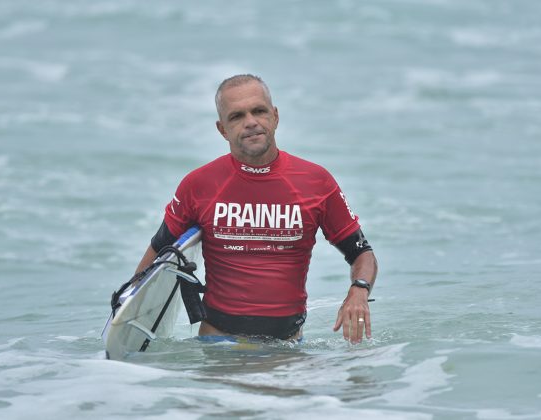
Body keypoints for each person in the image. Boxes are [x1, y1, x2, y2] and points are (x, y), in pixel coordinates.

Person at [135, 74, 378, 343]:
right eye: (237, 116)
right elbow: (160, 249)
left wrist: (359, 290)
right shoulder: (198, 185)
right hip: (219, 349)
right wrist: (129, 309)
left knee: (360, 385)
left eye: (259, 111)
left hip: (287, 349)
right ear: (222, 129)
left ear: (275, 116)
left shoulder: (316, 181)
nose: (251, 122)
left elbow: (361, 254)